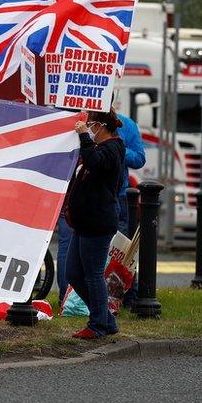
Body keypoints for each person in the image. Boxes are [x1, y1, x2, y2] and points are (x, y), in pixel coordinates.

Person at [65, 108, 125, 339]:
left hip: (97, 223)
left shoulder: (113, 148)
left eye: (90, 123)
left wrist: (83, 137)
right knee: (73, 273)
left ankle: (98, 324)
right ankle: (105, 319)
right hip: (85, 223)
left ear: (100, 126)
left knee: (92, 274)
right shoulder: (101, 148)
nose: (87, 126)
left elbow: (96, 163)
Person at [115, 113, 146, 308]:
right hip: (88, 195)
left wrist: (118, 149)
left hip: (118, 194)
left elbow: (139, 158)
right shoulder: (80, 121)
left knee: (122, 248)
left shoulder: (125, 124)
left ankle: (127, 296)